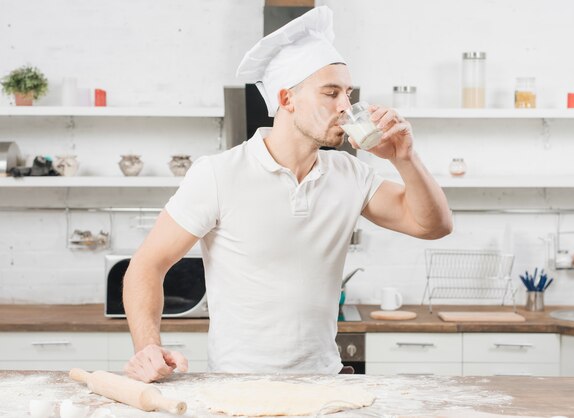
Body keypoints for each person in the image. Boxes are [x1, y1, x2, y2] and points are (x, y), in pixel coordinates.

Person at [122, 6, 452, 383]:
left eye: (347, 93)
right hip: (236, 388)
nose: (346, 106)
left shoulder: (351, 175)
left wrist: (406, 158)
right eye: (331, 93)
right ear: (287, 99)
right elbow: (146, 266)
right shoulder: (218, 174)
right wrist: (147, 346)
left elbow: (434, 225)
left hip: (325, 384)